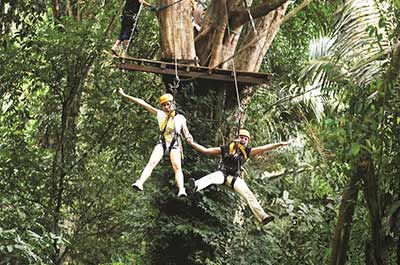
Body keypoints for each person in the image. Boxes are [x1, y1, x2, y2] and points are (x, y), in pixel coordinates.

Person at [187, 129, 290, 225]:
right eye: (241, 137)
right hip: (222, 174)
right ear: (237, 138)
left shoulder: (247, 152)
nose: (243, 140)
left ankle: (263, 216)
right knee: (212, 177)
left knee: (248, 194)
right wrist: (192, 143)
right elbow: (206, 151)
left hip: (234, 179)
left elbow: (264, 147)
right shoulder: (226, 149)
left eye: (246, 139)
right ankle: (196, 185)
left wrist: (280, 144)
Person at [118, 88, 193, 197]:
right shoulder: (160, 114)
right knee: (152, 162)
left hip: (174, 144)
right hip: (162, 143)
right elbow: (142, 102)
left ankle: (181, 189)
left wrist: (189, 137)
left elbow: (186, 131)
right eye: (164, 105)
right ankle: (140, 182)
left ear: (173, 104)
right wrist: (125, 95)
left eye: (168, 104)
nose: (166, 107)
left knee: (177, 167)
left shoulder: (180, 118)